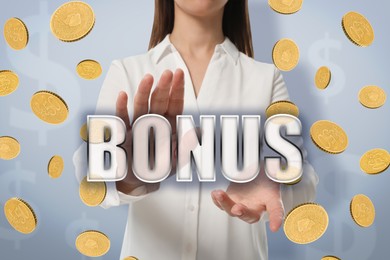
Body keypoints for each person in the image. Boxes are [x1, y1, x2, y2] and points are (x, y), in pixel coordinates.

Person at [73, 0, 318, 259]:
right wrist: (125, 174)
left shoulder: (266, 78)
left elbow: (305, 179)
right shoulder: (127, 71)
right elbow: (88, 177)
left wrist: (277, 181)